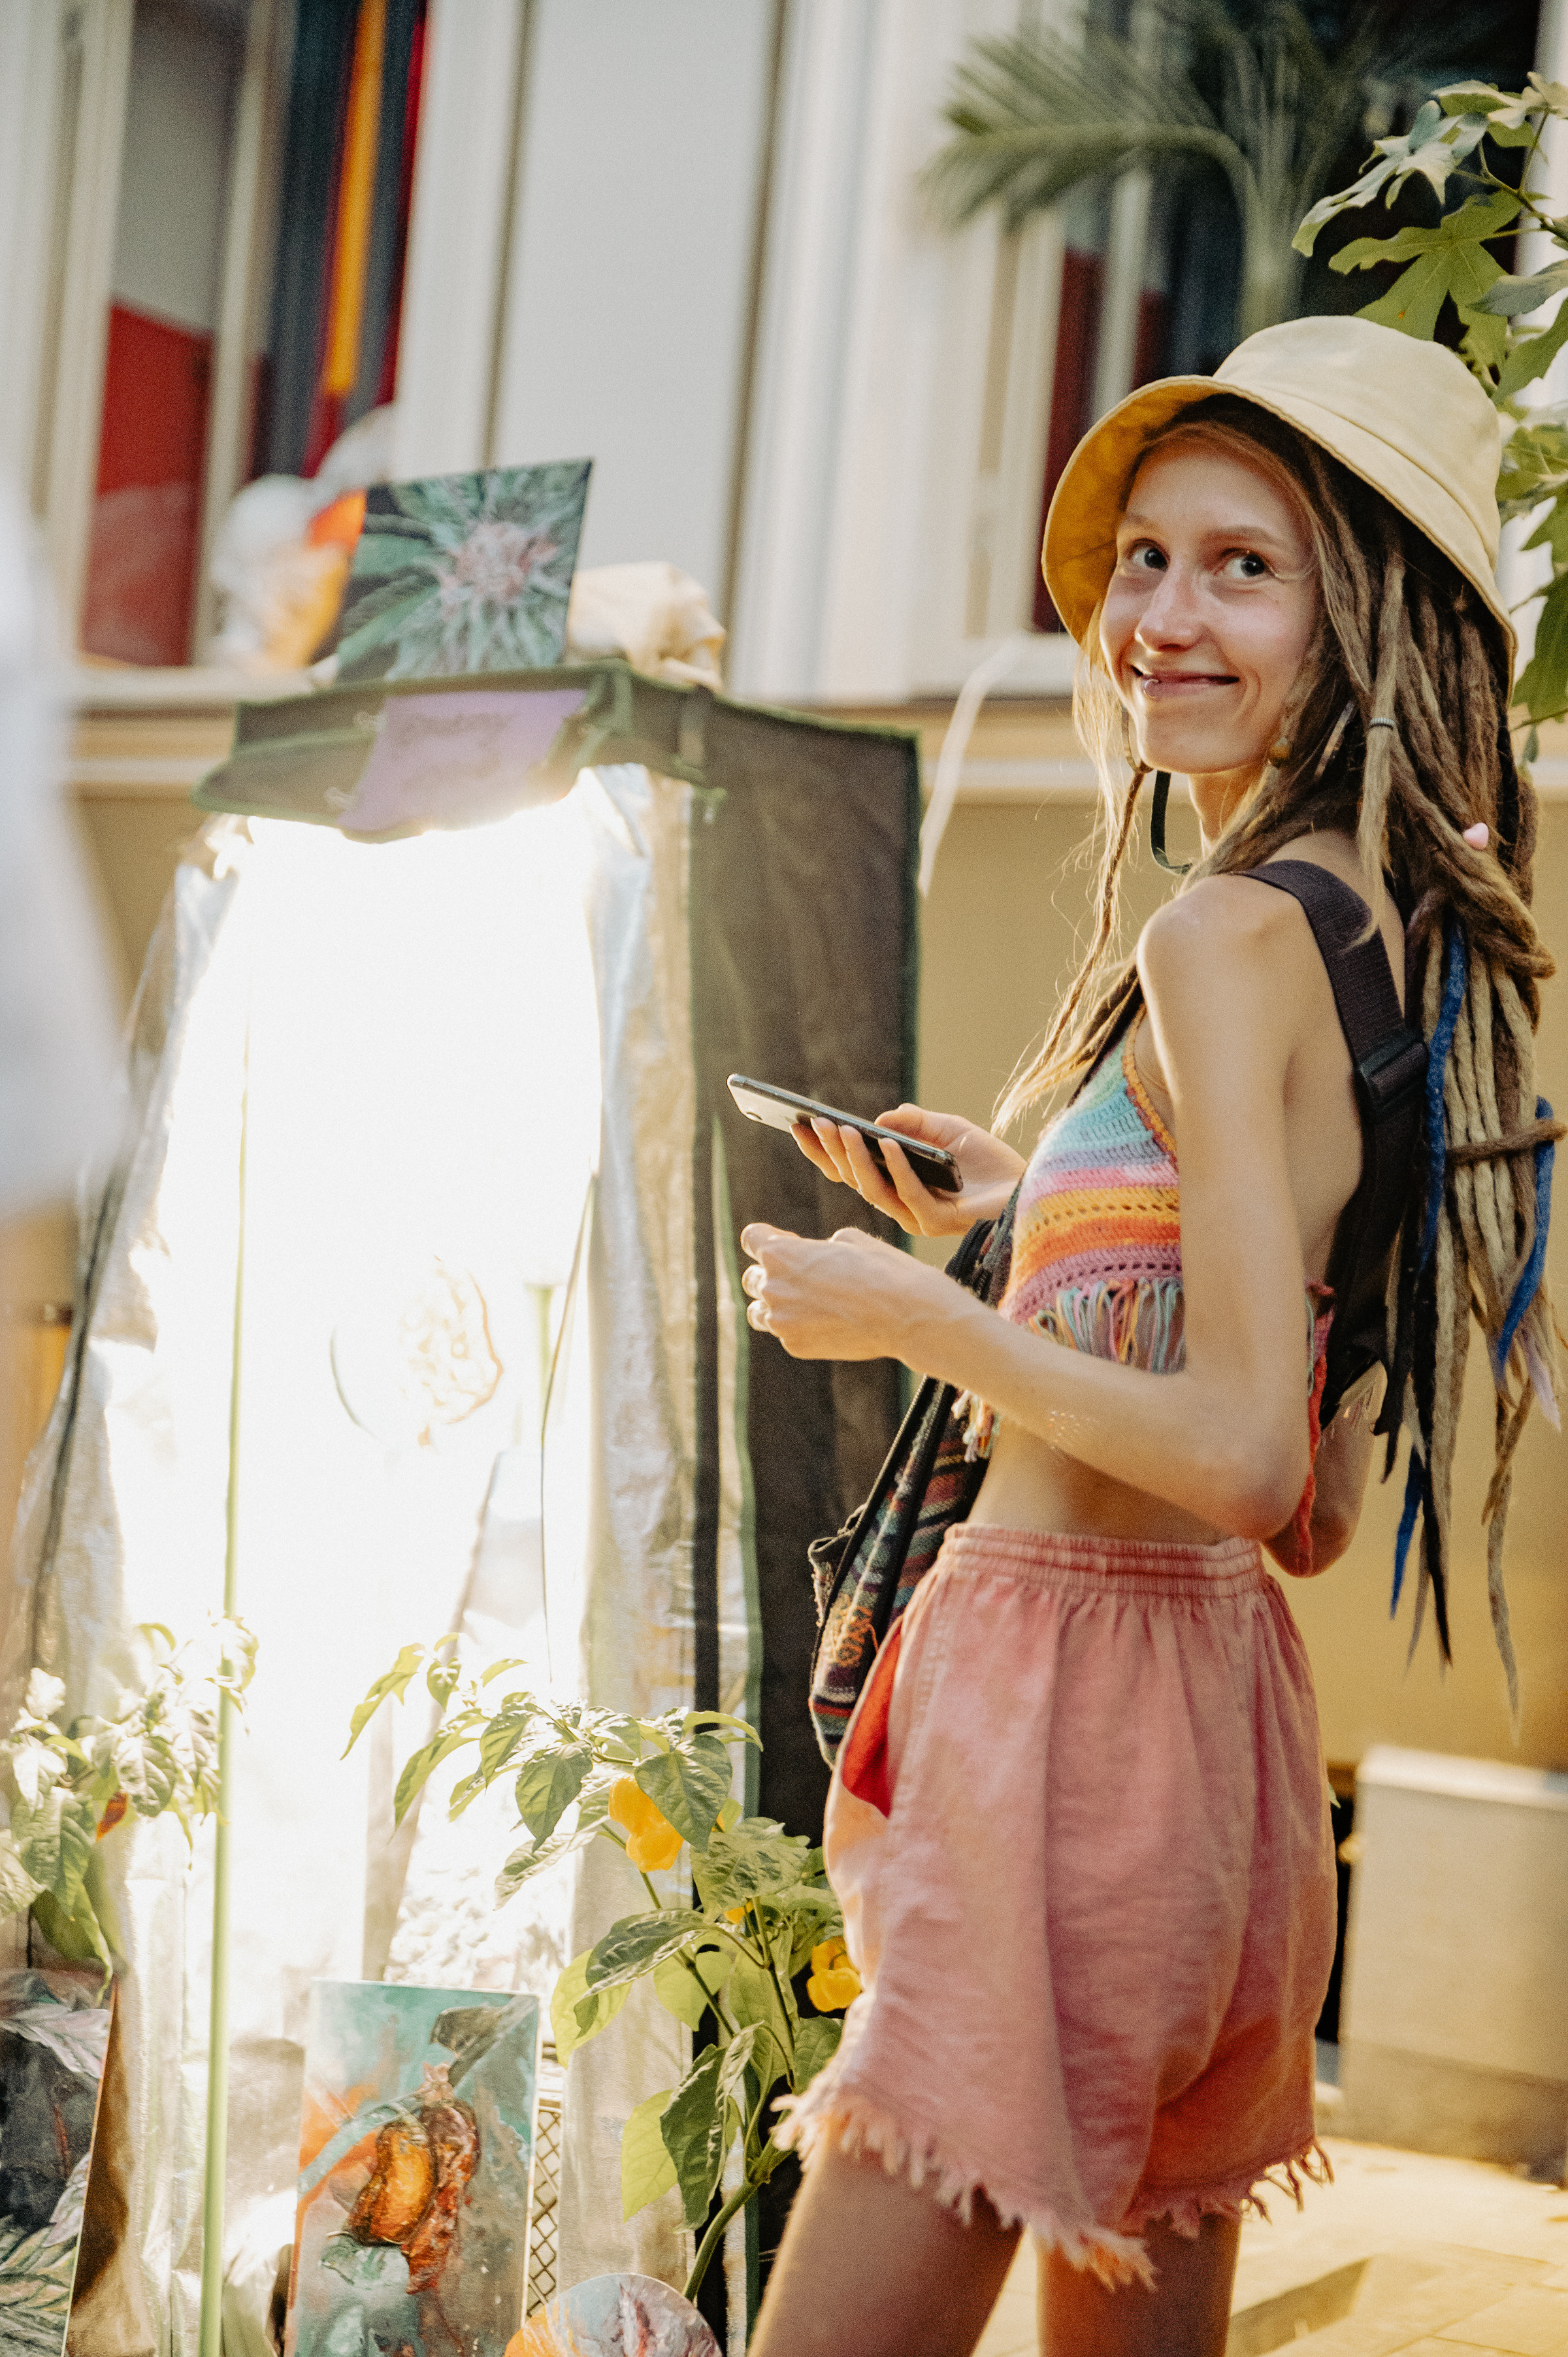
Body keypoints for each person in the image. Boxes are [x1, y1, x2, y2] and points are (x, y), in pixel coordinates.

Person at [737, 316, 1557, 2357]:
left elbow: (1250, 1460)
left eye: (1242, 567)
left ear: (1360, 618)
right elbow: (1315, 1487)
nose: (1160, 617)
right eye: (1150, 561)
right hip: (1212, 1745)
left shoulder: (1220, 933)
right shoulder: (1376, 944)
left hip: (1066, 1722)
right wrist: (1034, 1214)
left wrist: (921, 1318)